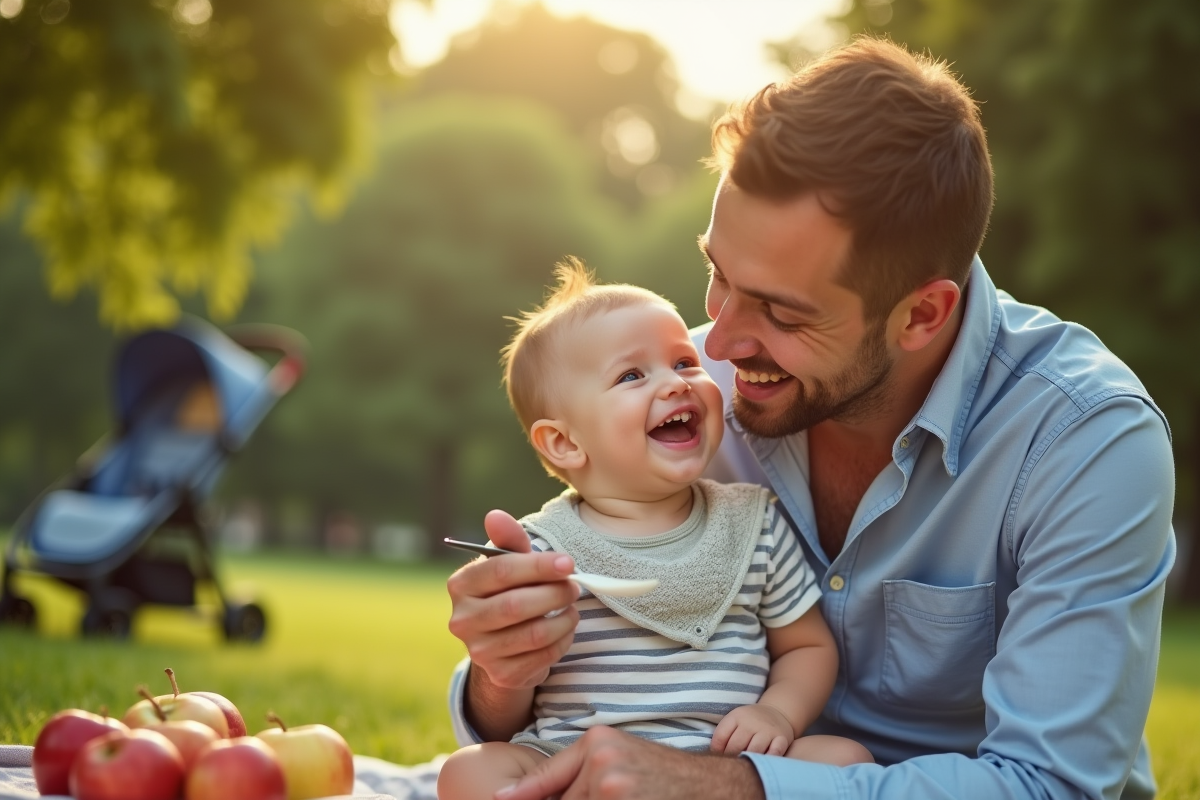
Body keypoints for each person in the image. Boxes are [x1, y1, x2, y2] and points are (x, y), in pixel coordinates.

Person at [444, 37, 1176, 800]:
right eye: (717, 276)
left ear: (922, 314)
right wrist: (505, 669)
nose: (719, 344)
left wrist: (732, 786)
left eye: (780, 311)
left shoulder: (1086, 443)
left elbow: (1048, 786)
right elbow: (535, 717)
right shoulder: (683, 400)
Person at [438, 261, 872, 800]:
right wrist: (512, 655)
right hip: (573, 767)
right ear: (565, 443)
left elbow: (807, 647)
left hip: (724, 765)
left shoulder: (755, 523)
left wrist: (777, 713)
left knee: (844, 760)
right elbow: (516, 684)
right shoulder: (542, 550)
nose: (676, 384)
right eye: (631, 376)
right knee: (469, 770)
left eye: (685, 362)